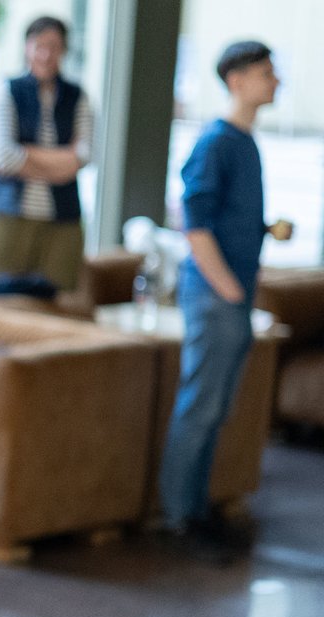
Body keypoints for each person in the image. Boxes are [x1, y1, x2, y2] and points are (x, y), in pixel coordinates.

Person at [157, 40, 290, 563]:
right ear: (236, 80)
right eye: (265, 73)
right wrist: (228, 289)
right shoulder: (215, 142)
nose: (274, 82)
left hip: (234, 295)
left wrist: (264, 230)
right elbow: (195, 223)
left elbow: (226, 218)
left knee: (216, 409)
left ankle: (197, 509)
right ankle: (178, 518)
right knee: (201, 406)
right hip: (217, 297)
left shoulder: (245, 143)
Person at [0, 15, 95, 293]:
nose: (46, 54)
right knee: (2, 294)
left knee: (58, 295)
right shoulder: (7, 89)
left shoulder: (78, 96)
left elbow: (83, 156)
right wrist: (61, 159)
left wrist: (27, 153)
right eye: (40, 45)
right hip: (9, 211)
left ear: (64, 50)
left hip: (62, 215)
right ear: (27, 47)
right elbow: (1, 155)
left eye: (54, 46)